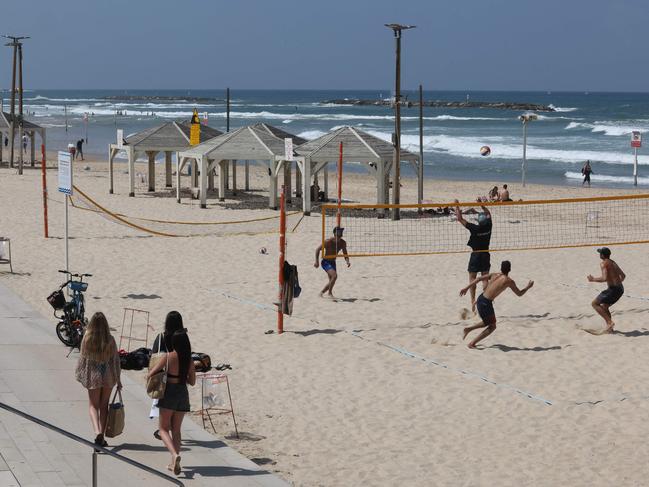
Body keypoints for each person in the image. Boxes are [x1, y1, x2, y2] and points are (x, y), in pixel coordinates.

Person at [147, 330, 196, 476]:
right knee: (176, 430)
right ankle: (174, 462)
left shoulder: (168, 356)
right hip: (182, 393)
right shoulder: (189, 360)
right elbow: (192, 382)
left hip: (169, 393)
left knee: (163, 428)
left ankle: (174, 455)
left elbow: (151, 372)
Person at [460, 260, 534, 348]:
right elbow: (519, 294)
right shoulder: (509, 281)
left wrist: (466, 288)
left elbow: (478, 279)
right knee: (492, 326)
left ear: (501, 268)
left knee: (489, 323)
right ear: (509, 269)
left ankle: (470, 337)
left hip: (481, 298)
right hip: (485, 303)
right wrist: (528, 287)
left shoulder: (494, 274)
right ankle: (469, 334)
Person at [75, 312, 122, 448]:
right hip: (107, 374)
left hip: (93, 374)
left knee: (93, 405)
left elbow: (83, 359)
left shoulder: (87, 339)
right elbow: (115, 361)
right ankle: (101, 433)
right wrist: (118, 379)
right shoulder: (110, 339)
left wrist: (81, 375)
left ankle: (96, 432)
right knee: (104, 406)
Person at [151, 311, 185, 441]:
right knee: (176, 424)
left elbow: (154, 354)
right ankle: (167, 430)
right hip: (179, 379)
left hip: (163, 377)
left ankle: (163, 430)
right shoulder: (183, 338)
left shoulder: (162, 337)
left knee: (163, 409)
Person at [455, 200, 493, 313]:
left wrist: (457, 205)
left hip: (476, 255)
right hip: (485, 254)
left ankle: (472, 302)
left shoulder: (474, 228)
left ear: (478, 222)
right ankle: (486, 300)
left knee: (472, 278)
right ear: (485, 221)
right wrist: (481, 204)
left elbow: (460, 219)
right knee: (485, 278)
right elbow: (488, 213)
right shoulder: (489, 226)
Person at [587, 247, 625, 333]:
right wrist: (616, 283)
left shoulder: (603, 263)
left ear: (602, 255)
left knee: (594, 304)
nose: (599, 254)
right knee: (605, 306)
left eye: (600, 253)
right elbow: (623, 276)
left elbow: (604, 278)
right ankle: (610, 329)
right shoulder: (613, 262)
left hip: (613, 290)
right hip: (620, 289)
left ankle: (609, 323)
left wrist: (593, 279)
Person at [314, 226, 350, 299]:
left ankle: (321, 293)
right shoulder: (328, 242)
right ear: (334, 233)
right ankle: (329, 293)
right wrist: (316, 262)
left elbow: (345, 253)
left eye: (341, 232)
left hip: (333, 262)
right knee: (335, 276)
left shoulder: (343, 243)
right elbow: (317, 249)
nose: (340, 233)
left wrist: (347, 261)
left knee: (331, 281)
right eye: (338, 232)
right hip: (325, 262)